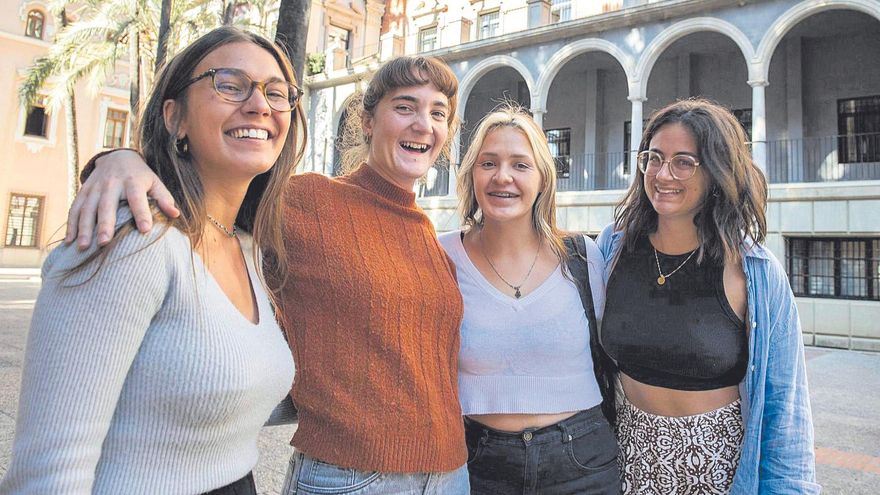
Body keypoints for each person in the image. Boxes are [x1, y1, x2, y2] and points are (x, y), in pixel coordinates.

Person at [61, 56, 469, 494]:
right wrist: (120, 159)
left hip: (450, 475)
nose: (423, 123)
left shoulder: (430, 236)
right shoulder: (307, 199)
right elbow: (201, 177)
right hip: (354, 478)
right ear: (368, 122)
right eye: (404, 107)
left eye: (437, 113)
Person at [0, 27, 304, 494]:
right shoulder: (131, 238)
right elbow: (49, 470)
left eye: (277, 93)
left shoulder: (250, 250)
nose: (260, 104)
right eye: (229, 83)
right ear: (174, 115)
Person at [597, 98, 819, 494]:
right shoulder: (613, 249)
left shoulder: (755, 272)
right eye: (654, 157)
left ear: (717, 172)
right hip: (624, 462)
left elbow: (784, 407)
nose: (663, 174)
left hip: (718, 469)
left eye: (684, 162)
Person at [437, 105, 620, 494]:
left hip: (582, 461)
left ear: (542, 180)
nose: (502, 176)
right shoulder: (441, 257)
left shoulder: (584, 257)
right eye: (489, 162)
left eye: (520, 165)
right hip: (476, 461)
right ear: (471, 174)